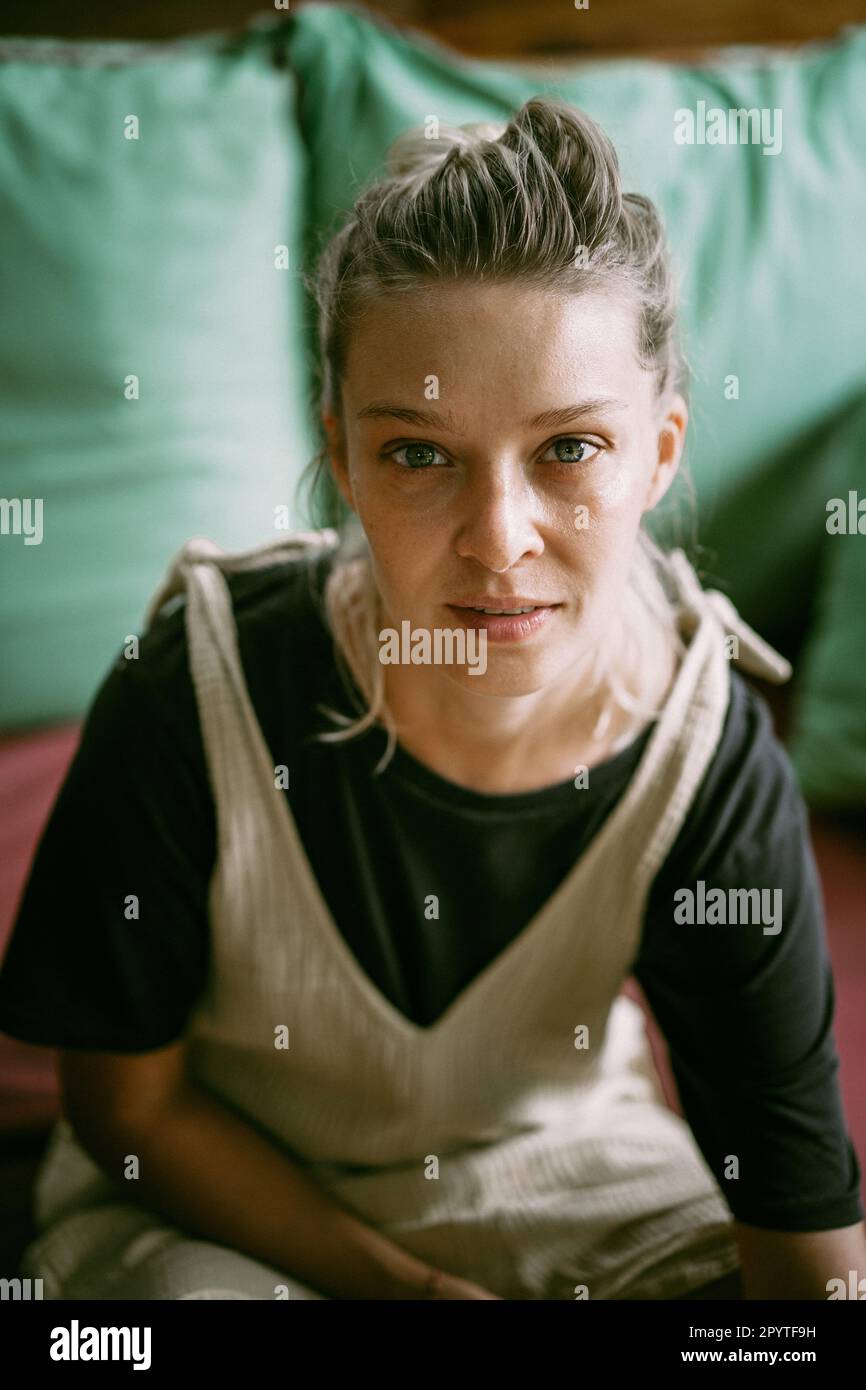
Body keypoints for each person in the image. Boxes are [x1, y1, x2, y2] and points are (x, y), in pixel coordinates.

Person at [0, 97, 863, 1301]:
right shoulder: (192, 689)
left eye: (568, 448)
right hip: (216, 1201)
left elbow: (795, 1220)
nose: (498, 541)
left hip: (561, 1182)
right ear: (343, 458)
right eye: (417, 453)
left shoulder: (704, 758)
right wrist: (399, 1292)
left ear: (658, 454)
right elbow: (126, 1108)